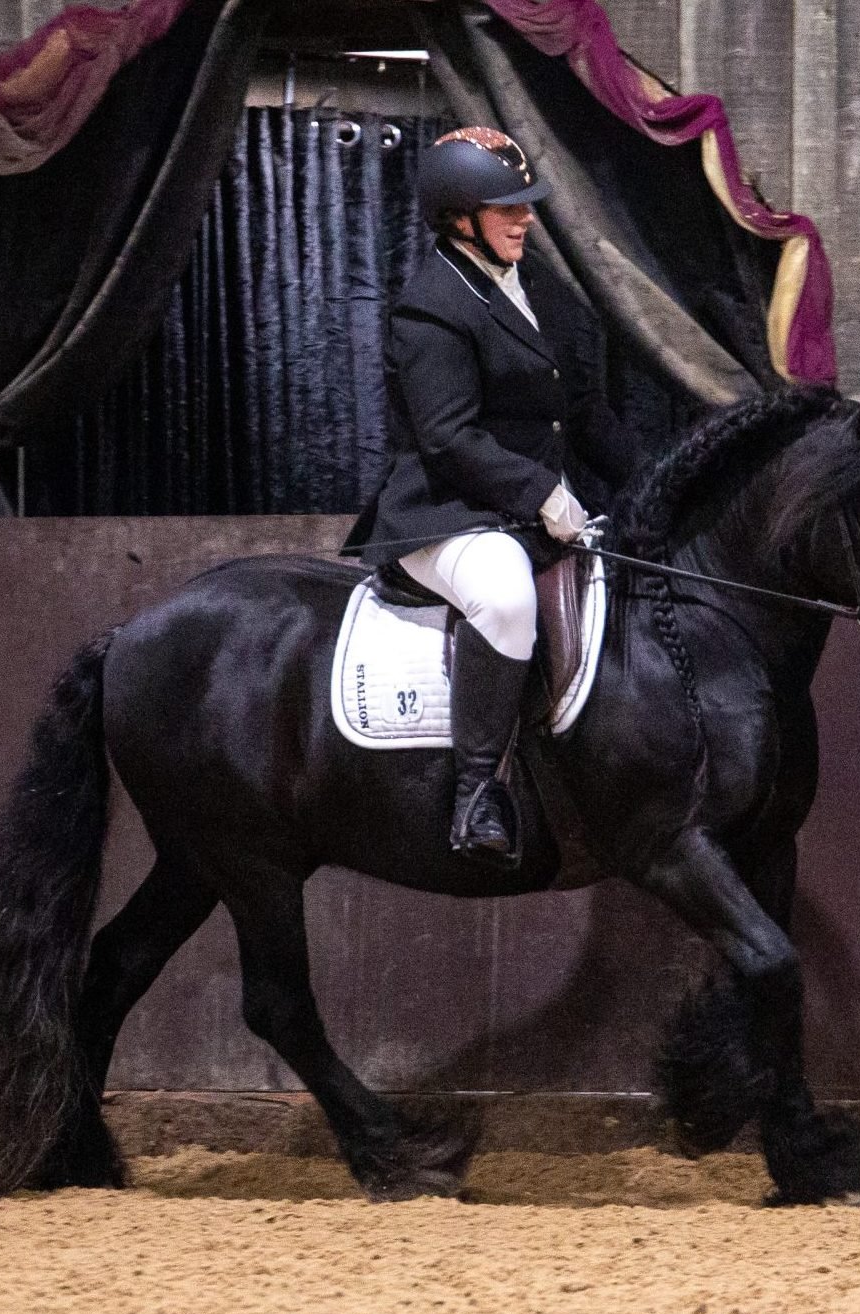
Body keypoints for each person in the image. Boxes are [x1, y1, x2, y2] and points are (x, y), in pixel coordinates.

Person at [343, 126, 644, 863]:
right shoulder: (432, 306)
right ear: (458, 217)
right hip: (445, 515)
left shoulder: (535, 288)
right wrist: (544, 491)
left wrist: (651, 484)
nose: (526, 218)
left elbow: (583, 411)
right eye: (507, 207)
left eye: (526, 204)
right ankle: (475, 795)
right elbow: (448, 437)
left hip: (522, 511)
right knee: (506, 596)